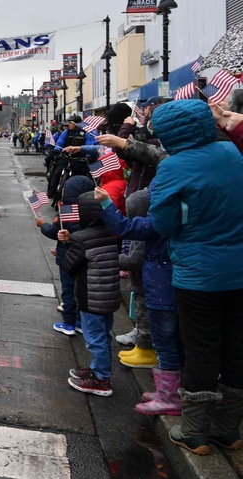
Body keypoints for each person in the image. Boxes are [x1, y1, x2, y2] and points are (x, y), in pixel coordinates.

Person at [147, 99, 243, 455]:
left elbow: (163, 223)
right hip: (239, 269)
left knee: (202, 347)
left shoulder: (173, 167)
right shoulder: (232, 153)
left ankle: (194, 431)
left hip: (198, 273)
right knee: (236, 345)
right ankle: (228, 430)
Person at [96, 187, 183, 416]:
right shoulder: (177, 219)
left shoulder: (158, 224)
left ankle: (170, 396)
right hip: (162, 285)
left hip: (160, 288)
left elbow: (125, 229)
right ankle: (168, 391)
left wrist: (106, 204)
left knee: (165, 344)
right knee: (169, 342)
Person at [58, 190, 121, 397]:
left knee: (94, 339)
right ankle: (97, 368)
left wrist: (66, 246)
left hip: (90, 297)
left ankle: (101, 379)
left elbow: (70, 267)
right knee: (103, 335)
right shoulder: (113, 233)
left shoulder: (81, 238)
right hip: (109, 296)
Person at [39, 175, 95, 336]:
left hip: (67, 259)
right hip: (85, 259)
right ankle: (80, 321)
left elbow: (54, 231)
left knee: (69, 291)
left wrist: (43, 225)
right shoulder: (92, 212)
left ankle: (68, 323)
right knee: (81, 290)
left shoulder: (66, 213)